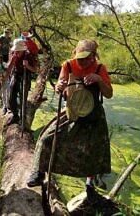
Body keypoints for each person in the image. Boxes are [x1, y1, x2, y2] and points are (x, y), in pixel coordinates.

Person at [27, 39, 113, 203]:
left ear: (93, 56)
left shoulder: (100, 68)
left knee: (93, 152)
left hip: (94, 116)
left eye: (87, 58)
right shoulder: (69, 65)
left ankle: (89, 185)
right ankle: (39, 172)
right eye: (81, 57)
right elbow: (61, 86)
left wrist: (99, 80)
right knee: (46, 139)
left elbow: (109, 94)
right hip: (72, 112)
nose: (84, 61)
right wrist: (59, 87)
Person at [3, 38, 38, 126]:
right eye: (15, 50)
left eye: (18, 51)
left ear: (22, 49)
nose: (16, 52)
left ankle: (23, 118)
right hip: (16, 74)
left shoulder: (28, 56)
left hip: (26, 76)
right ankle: (15, 115)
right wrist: (5, 77)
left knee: (23, 98)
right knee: (11, 96)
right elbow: (9, 68)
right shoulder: (13, 54)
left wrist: (27, 65)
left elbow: (35, 70)